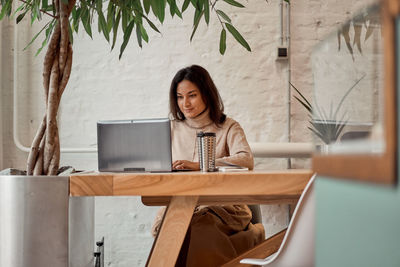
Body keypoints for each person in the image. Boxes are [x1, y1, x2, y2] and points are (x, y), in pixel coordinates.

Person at [152, 65, 265, 266]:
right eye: (179, 97)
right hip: (181, 206)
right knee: (173, 233)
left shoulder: (228, 126)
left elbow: (246, 160)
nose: (185, 103)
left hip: (223, 209)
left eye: (192, 95)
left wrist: (200, 165)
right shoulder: (170, 129)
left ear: (206, 93)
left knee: (198, 230)